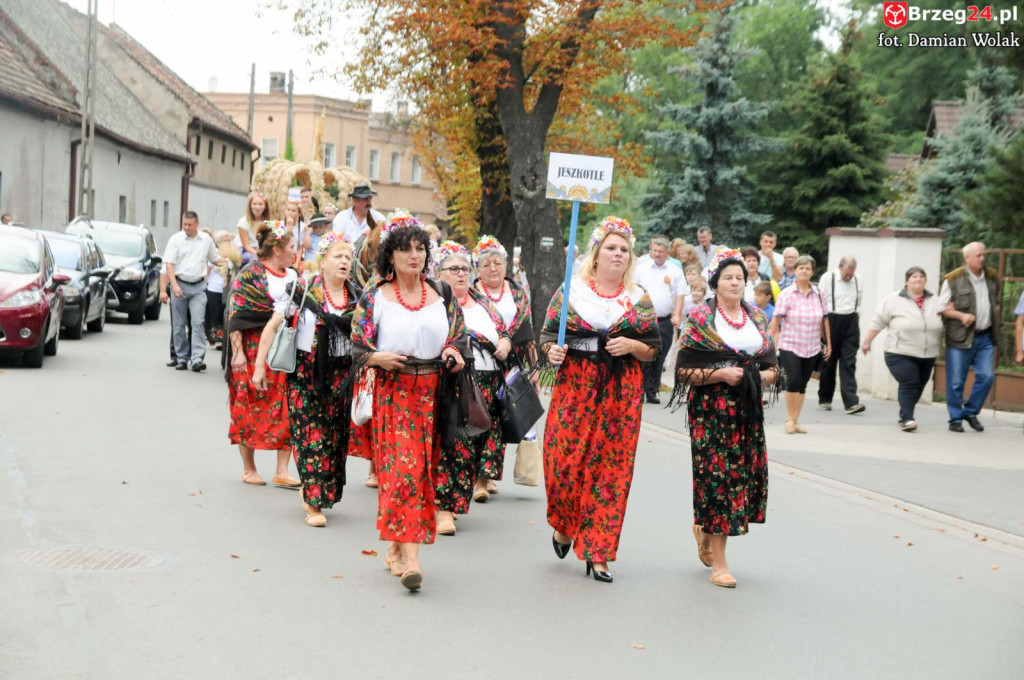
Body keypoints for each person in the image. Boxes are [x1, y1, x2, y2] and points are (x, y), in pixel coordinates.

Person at [349, 209, 469, 591]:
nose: (414, 256)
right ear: (390, 257)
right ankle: (413, 558)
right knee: (403, 473)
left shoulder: (442, 292)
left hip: (435, 394)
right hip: (394, 393)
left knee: (422, 474)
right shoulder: (375, 296)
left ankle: (397, 549)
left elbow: (459, 334)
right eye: (405, 250)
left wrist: (454, 351)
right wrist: (377, 357)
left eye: (420, 249)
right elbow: (355, 348)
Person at [540, 216, 661, 584]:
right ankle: (563, 523)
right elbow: (548, 335)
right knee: (562, 463)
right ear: (596, 253)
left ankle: (599, 551)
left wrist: (632, 345)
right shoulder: (571, 291)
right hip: (575, 387)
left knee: (611, 471)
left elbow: (653, 350)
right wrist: (552, 352)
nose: (618, 254)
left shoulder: (638, 298)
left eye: (624, 249)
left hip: (619, 392)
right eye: (611, 247)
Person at [673, 248, 779, 588]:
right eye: (728, 278)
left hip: (747, 411)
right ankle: (720, 563)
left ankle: (704, 529)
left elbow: (773, 367)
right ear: (715, 283)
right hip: (711, 412)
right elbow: (683, 371)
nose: (735, 282)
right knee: (718, 481)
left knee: (739, 480)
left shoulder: (757, 318)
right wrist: (721, 376)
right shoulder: (701, 319)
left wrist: (760, 378)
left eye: (740, 278)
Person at [252, 233, 361, 526]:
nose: (344, 262)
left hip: (342, 377)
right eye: (337, 257)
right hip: (306, 374)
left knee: (335, 439)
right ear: (322, 263)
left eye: (348, 258)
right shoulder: (302, 292)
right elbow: (272, 327)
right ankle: (313, 503)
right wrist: (259, 368)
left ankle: (320, 492)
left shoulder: (358, 298)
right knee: (310, 436)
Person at [433, 240, 512, 535]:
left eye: (465, 268)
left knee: (473, 447)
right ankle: (444, 508)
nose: (461, 274)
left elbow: (503, 331)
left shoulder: (482, 302)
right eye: (454, 269)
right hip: (454, 382)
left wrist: (504, 343)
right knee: (453, 446)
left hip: (487, 383)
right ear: (439, 272)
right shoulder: (436, 302)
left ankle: (454, 502)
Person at [225, 221, 302, 489]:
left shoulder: (294, 276)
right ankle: (249, 467)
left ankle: (282, 469)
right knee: (249, 404)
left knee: (287, 406)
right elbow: (235, 315)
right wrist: (237, 354)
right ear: (278, 249)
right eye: (291, 246)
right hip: (252, 346)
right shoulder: (250, 274)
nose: (295, 251)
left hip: (284, 350)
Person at [473, 234, 538, 501]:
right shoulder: (472, 293)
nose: (493, 268)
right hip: (481, 362)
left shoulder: (518, 294)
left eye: (497, 263)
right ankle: (478, 477)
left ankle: (487, 474)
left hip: (511, 365)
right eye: (486, 264)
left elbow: (527, 332)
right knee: (481, 416)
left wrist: (534, 370)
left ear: (506, 265)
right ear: (478, 268)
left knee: (502, 419)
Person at [860, 267, 943, 432]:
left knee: (919, 385)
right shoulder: (893, 299)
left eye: (921, 277)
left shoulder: (935, 300)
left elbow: (946, 315)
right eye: (914, 277)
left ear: (925, 281)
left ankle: (905, 414)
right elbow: (878, 320)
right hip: (899, 352)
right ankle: (907, 418)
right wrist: (867, 341)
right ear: (907, 281)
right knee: (910, 382)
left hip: (927, 353)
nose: (918, 279)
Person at [937, 242, 999, 433]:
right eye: (978, 255)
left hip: (985, 336)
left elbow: (996, 304)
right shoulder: (953, 279)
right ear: (967, 258)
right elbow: (941, 308)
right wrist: (961, 316)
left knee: (987, 376)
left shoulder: (992, 277)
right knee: (956, 381)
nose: (982, 258)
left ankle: (970, 411)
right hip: (960, 337)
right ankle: (955, 418)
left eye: (983, 255)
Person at [770, 254, 831, 434]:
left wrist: (828, 343)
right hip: (790, 344)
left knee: (803, 383)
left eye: (807, 268)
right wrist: (771, 343)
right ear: (795, 270)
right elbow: (776, 320)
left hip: (812, 345)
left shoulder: (819, 294)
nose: (804, 271)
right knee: (794, 379)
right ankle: (789, 418)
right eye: (801, 268)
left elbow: (825, 320)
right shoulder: (786, 294)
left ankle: (796, 420)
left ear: (812, 272)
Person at [161, 211, 225, 372]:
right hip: (180, 284)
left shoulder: (206, 240)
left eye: (190, 225)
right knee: (179, 324)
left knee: (197, 322)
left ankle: (197, 359)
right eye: (184, 224)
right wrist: (173, 286)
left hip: (198, 287)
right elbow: (169, 264)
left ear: (197, 224)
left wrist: (233, 261)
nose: (187, 228)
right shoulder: (176, 240)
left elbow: (214, 258)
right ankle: (181, 358)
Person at [635, 235, 686, 404]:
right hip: (643, 318)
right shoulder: (641, 268)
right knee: (642, 353)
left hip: (664, 320)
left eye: (660, 251)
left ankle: (652, 390)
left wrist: (677, 314)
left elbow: (680, 294)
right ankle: (639, 389)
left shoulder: (674, 271)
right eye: (654, 251)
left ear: (668, 253)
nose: (657, 254)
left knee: (659, 354)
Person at [817, 256, 865, 415]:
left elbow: (858, 303)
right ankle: (825, 398)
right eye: (846, 273)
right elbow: (820, 303)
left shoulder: (858, 280)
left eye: (851, 273)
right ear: (840, 268)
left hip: (851, 321)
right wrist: (821, 329)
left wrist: (856, 323)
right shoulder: (828, 277)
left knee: (849, 363)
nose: (848, 276)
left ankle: (851, 402)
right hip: (831, 319)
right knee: (829, 362)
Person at [206, 231, 240, 350]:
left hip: (228, 288)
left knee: (225, 313)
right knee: (215, 314)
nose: (227, 242)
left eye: (228, 239)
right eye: (224, 240)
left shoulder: (233, 253)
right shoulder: (214, 253)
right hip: (214, 287)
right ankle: (218, 339)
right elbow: (208, 270)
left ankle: (226, 337)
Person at [237, 192, 268, 258]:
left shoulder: (268, 223)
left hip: (264, 250)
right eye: (255, 204)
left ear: (265, 206)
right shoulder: (243, 222)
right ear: (250, 205)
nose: (257, 207)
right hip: (249, 251)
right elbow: (246, 246)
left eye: (260, 204)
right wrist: (258, 254)